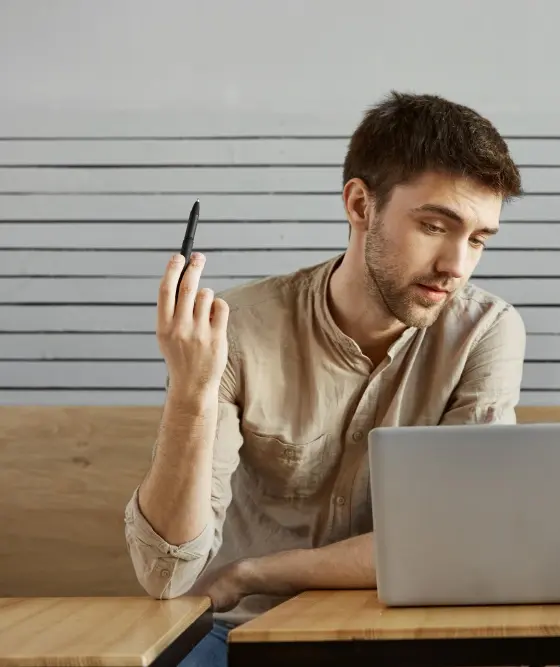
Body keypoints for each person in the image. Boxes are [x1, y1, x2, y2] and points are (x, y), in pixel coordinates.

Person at [123, 91, 527, 666]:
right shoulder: (238, 331)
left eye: (479, 240)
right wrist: (190, 394)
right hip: (240, 635)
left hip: (405, 636)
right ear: (361, 205)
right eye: (436, 226)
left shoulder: (486, 333)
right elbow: (166, 573)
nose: (457, 265)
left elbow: (455, 545)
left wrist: (252, 572)